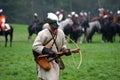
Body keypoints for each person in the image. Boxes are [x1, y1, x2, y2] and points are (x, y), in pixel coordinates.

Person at [32, 12, 71, 80]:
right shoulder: (42, 34)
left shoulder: (61, 33)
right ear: (49, 24)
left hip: (56, 61)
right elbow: (35, 46)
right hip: (45, 61)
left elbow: (63, 45)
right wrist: (47, 51)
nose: (55, 28)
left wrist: (65, 50)